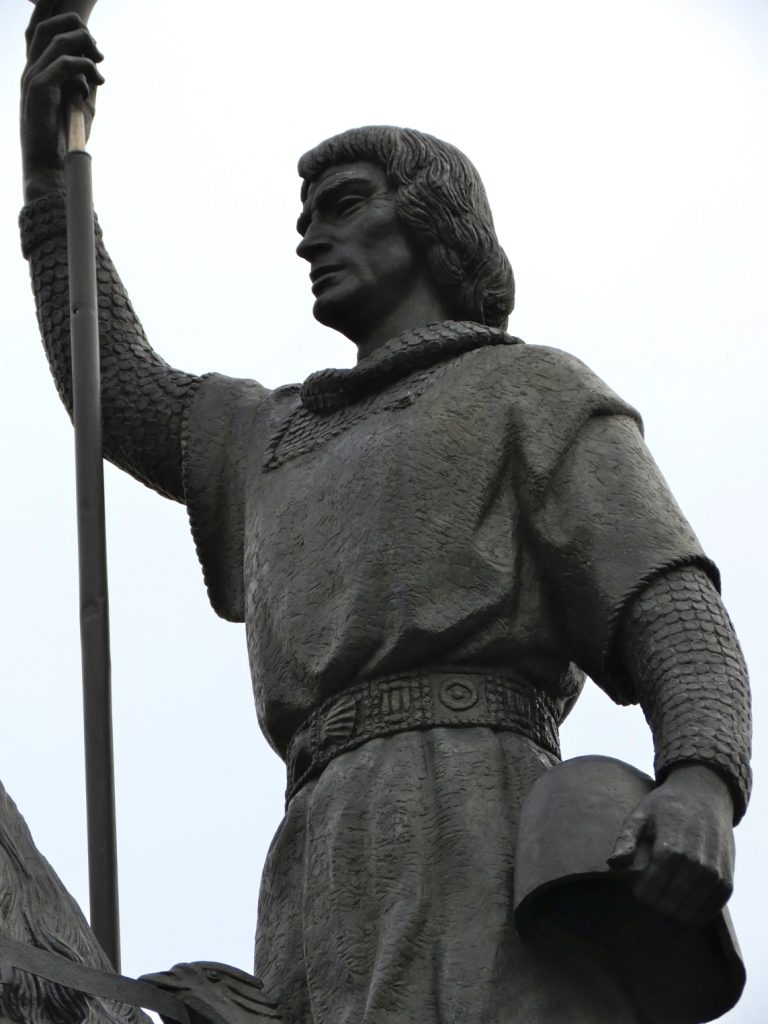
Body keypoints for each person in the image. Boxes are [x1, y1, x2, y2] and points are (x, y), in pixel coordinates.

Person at [19, 4, 751, 1023]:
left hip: (476, 812)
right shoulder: (266, 433)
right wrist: (52, 187)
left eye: (344, 205)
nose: (311, 236)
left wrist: (703, 780)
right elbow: (119, 386)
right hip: (317, 847)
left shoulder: (528, 391)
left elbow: (668, 604)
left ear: (432, 221)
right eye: (305, 217)